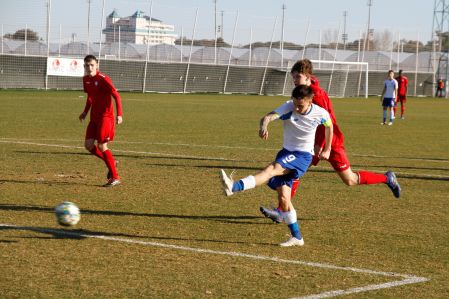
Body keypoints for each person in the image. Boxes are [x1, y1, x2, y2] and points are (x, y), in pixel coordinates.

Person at [260, 59, 401, 224]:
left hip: (330, 143)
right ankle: (281, 210)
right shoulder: (305, 91)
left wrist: (321, 145)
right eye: (293, 77)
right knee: (293, 169)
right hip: (312, 144)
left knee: (350, 180)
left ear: (307, 77)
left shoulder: (317, 95)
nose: (294, 80)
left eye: (297, 76)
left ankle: (387, 178)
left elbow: (329, 122)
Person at [220, 85, 333, 247]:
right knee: (284, 199)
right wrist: (263, 126)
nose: (296, 108)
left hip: (302, 156)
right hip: (286, 153)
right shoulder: (289, 106)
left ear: (310, 101)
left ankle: (234, 187)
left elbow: (329, 127)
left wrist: (327, 149)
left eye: (300, 105)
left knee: (271, 170)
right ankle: (297, 237)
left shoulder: (320, 113)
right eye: (295, 103)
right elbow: (267, 117)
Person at [79, 55, 123, 187]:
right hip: (94, 117)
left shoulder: (103, 79)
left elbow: (116, 95)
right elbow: (90, 97)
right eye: (87, 65)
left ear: (97, 65)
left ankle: (115, 177)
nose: (89, 68)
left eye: (92, 65)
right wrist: (85, 112)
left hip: (106, 117)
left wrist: (119, 114)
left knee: (102, 146)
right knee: (88, 145)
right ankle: (112, 161)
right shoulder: (86, 79)